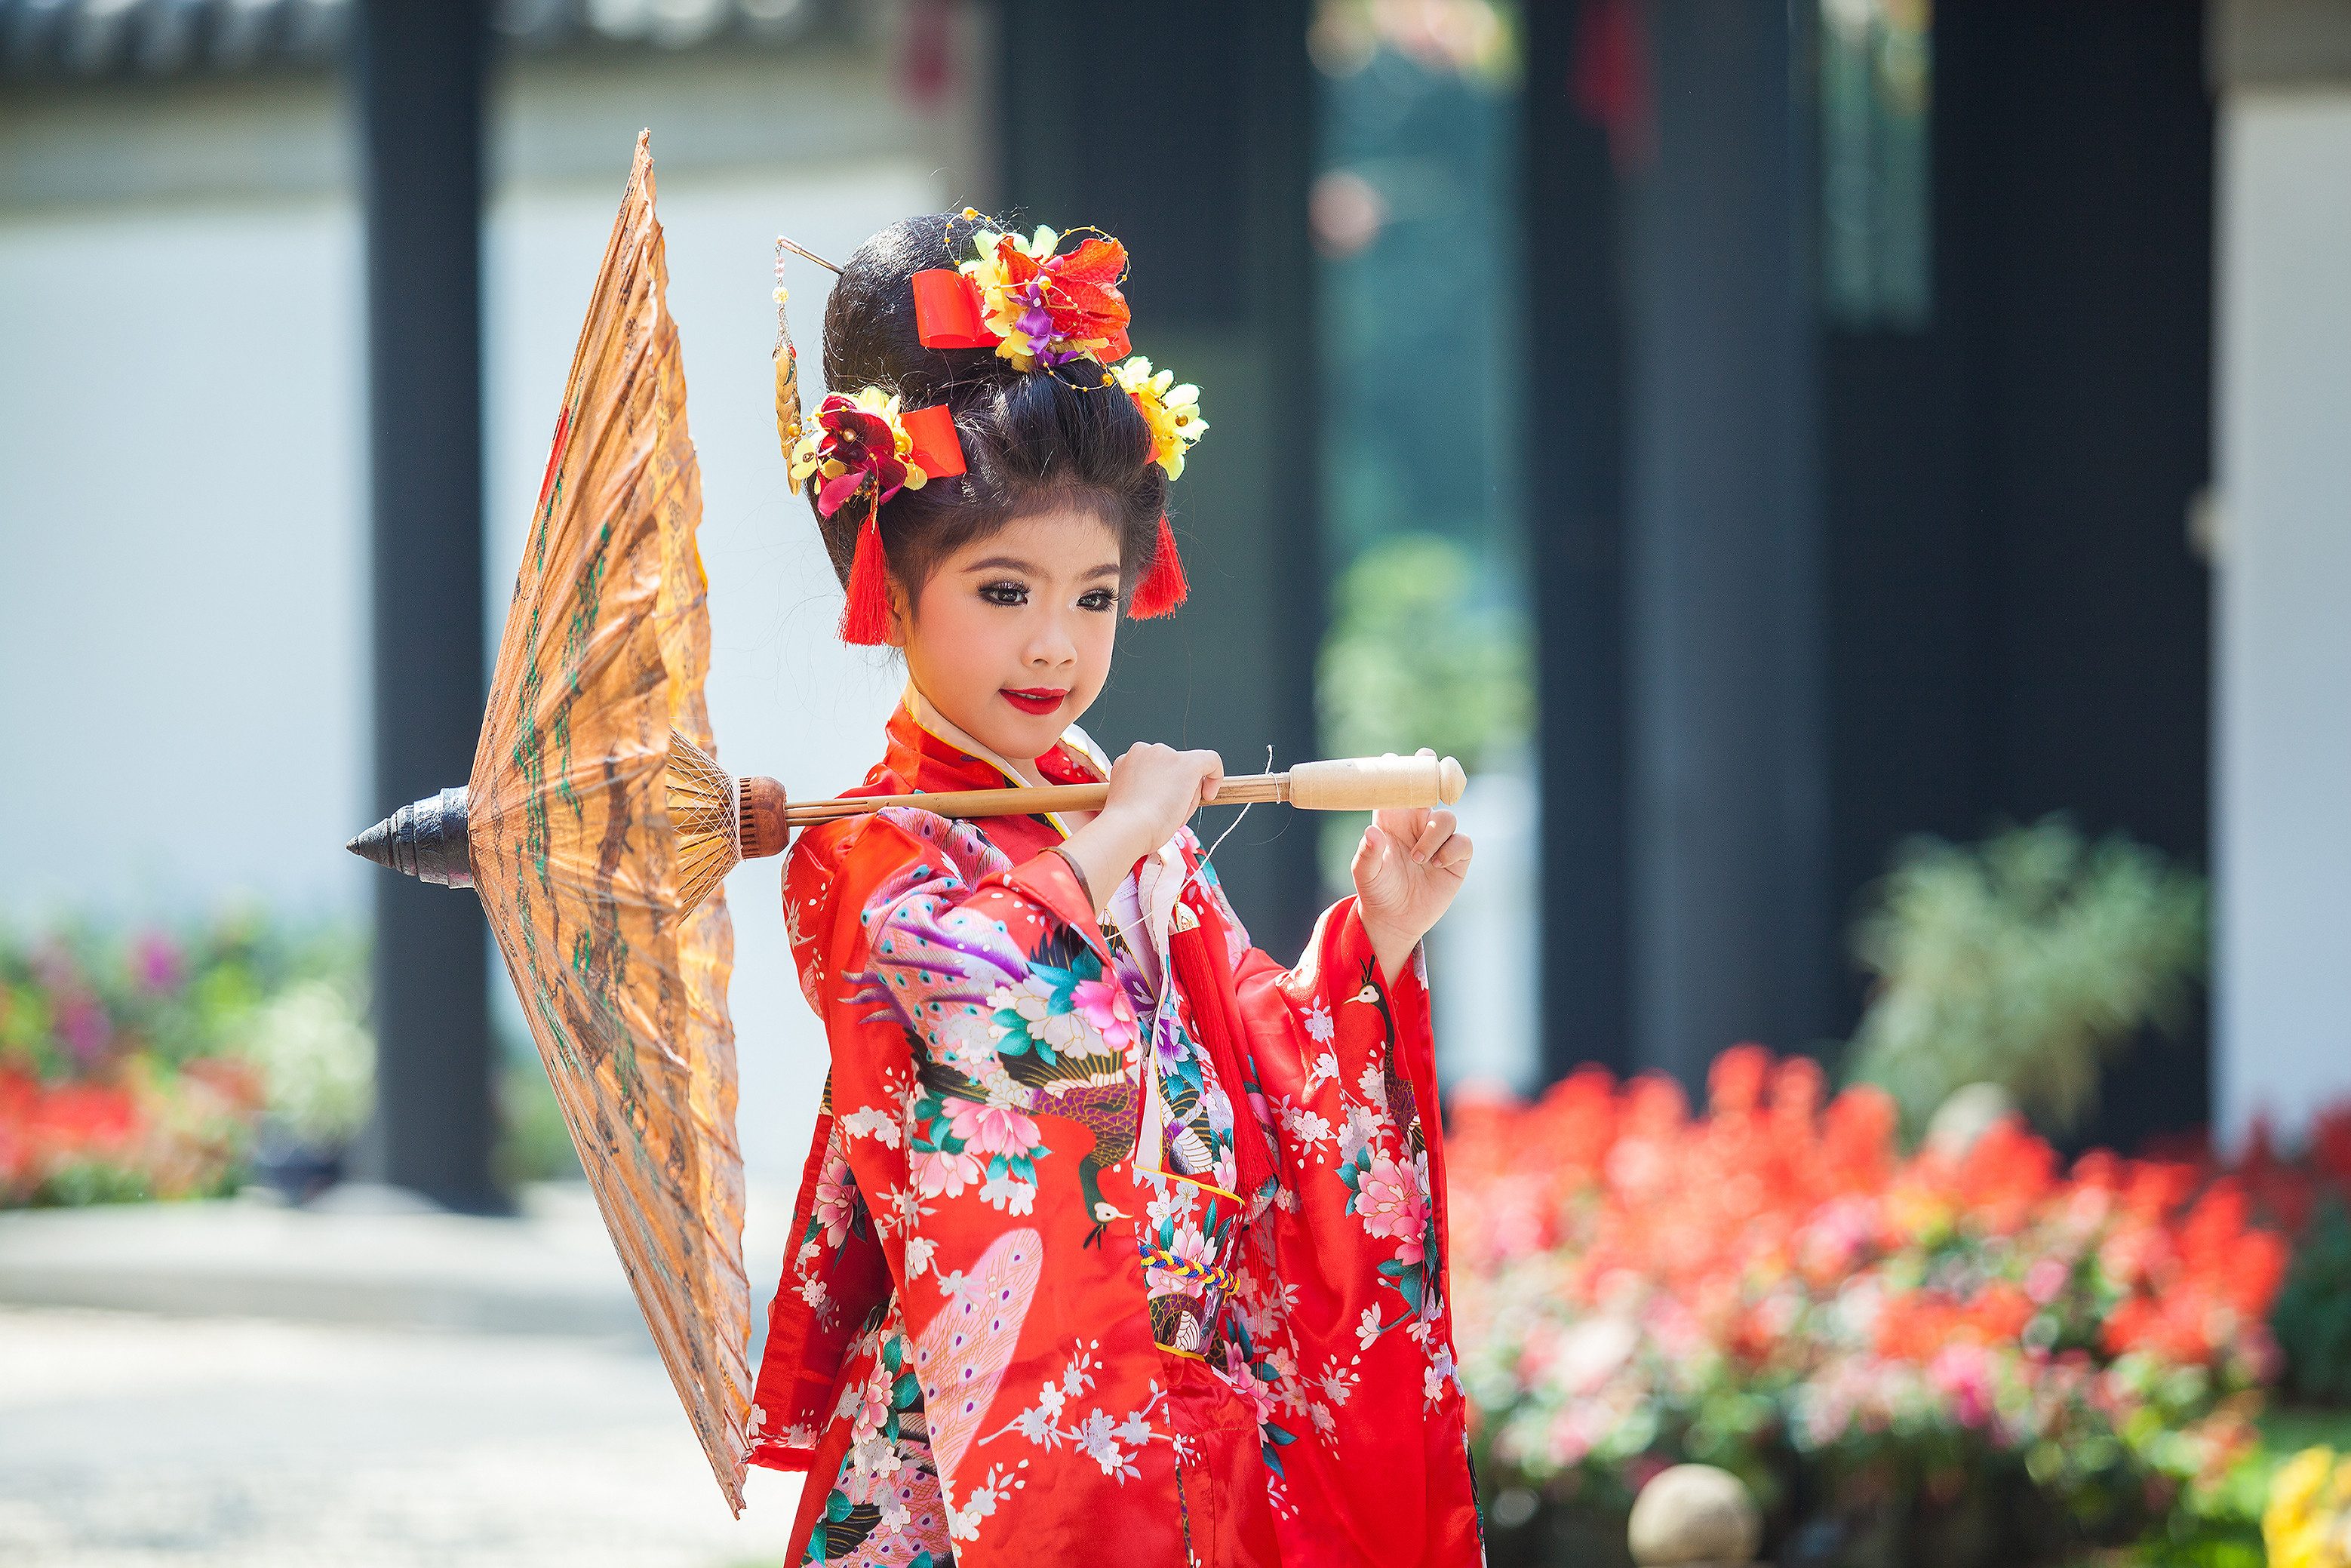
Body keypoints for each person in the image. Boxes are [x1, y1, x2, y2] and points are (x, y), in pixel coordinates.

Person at [746, 211, 1480, 1566]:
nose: (1056, 643)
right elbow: (984, 1025)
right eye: (1005, 587)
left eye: (1094, 596)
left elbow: (1247, 1042)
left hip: (1188, 1424)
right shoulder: (864, 846)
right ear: (890, 596)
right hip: (988, 1445)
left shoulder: (1094, 794)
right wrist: (1109, 845)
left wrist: (1374, 930)